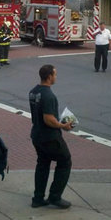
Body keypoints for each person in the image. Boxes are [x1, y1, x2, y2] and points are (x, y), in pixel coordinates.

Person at [29, 64, 73, 209]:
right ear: (49, 77)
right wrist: (63, 126)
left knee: (42, 164)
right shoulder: (49, 95)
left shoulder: (33, 92)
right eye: (55, 74)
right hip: (50, 137)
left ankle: (38, 198)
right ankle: (55, 196)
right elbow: (48, 119)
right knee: (65, 161)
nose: (56, 77)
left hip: (37, 134)